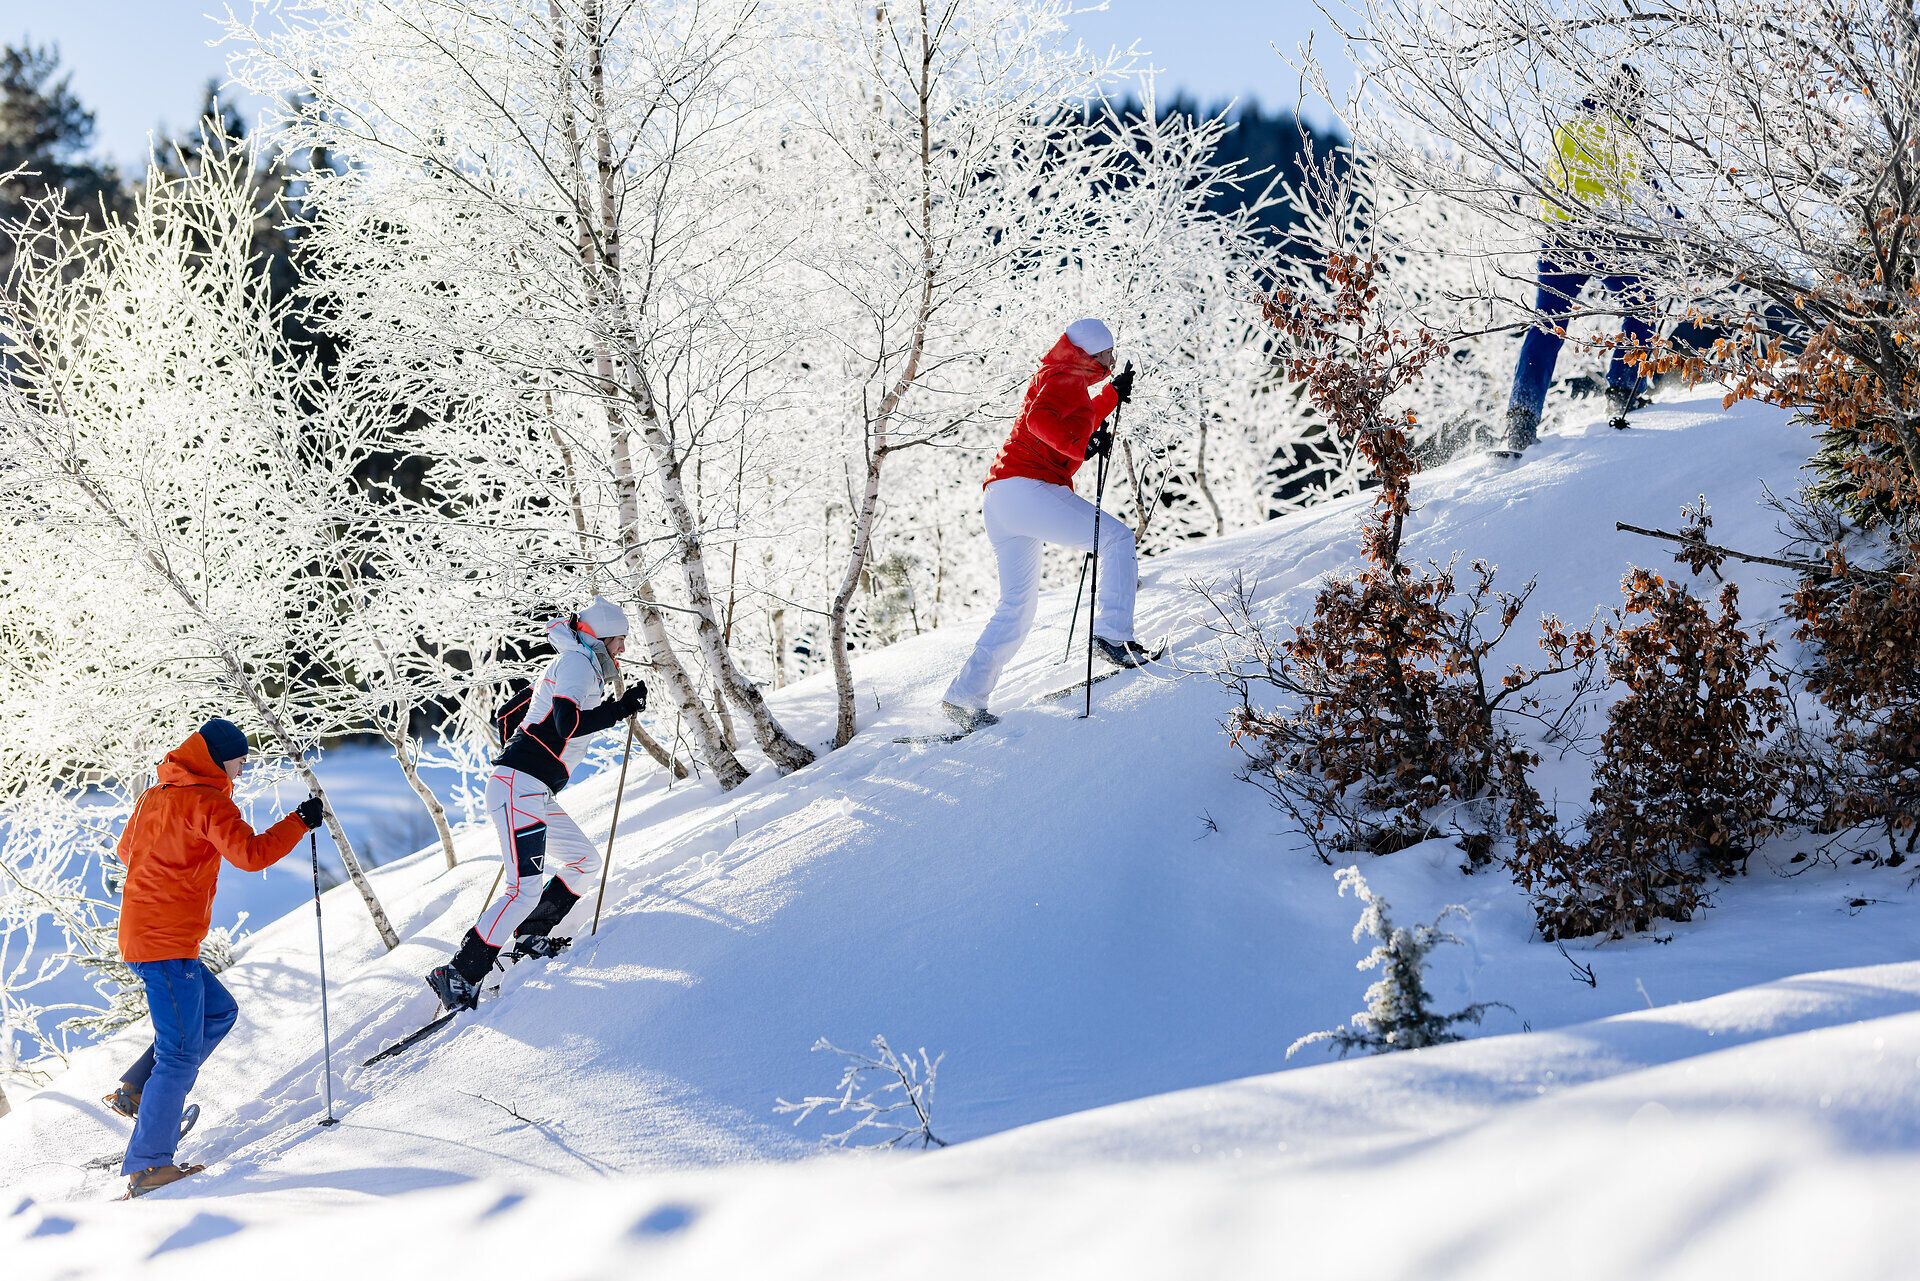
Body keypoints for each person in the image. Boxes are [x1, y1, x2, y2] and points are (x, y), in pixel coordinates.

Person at [109, 717, 324, 1198]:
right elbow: (250, 854)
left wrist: (173, 866)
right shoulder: (207, 799)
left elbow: (127, 851)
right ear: (217, 758)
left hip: (146, 935)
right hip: (166, 942)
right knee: (180, 1054)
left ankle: (137, 1090)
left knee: (219, 1010)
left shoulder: (155, 794)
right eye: (240, 759)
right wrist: (299, 822)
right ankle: (149, 1166)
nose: (243, 767)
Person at [427, 596, 645, 1013]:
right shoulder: (578, 664)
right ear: (600, 636)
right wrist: (620, 709)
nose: (623, 649)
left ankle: (531, 935)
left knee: (583, 861)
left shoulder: (574, 663)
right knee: (522, 888)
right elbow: (567, 723)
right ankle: (459, 973)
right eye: (619, 640)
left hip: (531, 788)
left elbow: (513, 715)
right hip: (519, 786)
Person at [940, 318, 1149, 733]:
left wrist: (1110, 396)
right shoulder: (1063, 378)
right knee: (1116, 538)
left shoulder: (1059, 377)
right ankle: (1111, 634)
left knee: (1017, 605)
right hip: (1028, 488)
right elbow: (1041, 421)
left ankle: (964, 697)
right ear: (1092, 353)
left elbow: (1075, 417)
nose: (1110, 358)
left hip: (1001, 497)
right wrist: (1082, 445)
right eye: (1107, 353)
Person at [1504, 68, 1658, 453]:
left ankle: (1521, 418)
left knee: (1547, 326)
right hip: (1603, 237)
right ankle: (1623, 390)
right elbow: (1651, 194)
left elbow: (1547, 179)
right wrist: (1681, 230)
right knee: (1644, 305)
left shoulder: (1567, 126)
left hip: (1557, 239)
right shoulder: (1628, 135)